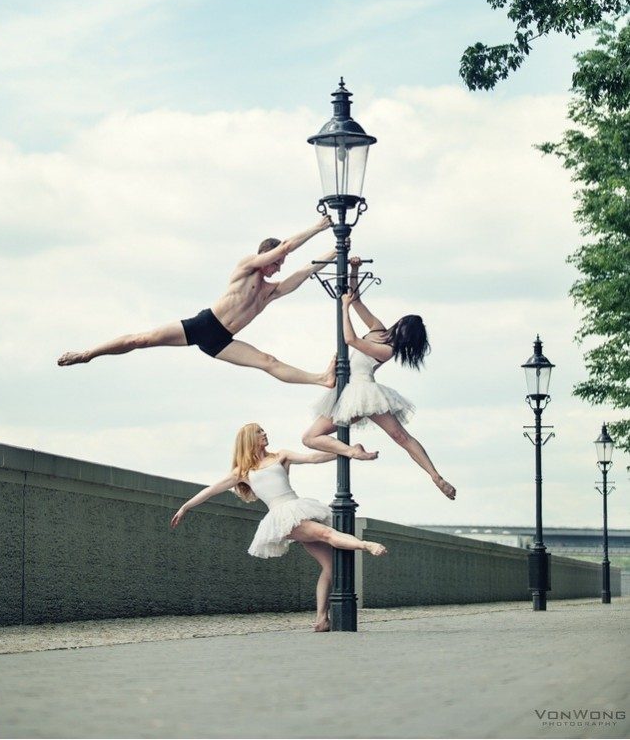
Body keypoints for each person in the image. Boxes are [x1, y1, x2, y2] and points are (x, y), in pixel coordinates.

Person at [58, 216, 336, 387]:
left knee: (268, 361)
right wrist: (319, 227)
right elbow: (286, 245)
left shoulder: (270, 292)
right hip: (204, 325)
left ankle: (320, 379)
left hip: (222, 340)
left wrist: (337, 250)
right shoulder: (246, 268)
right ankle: (87, 354)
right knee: (141, 340)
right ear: (264, 255)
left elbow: (305, 271)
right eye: (276, 262)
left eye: (280, 265)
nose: (278, 268)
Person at [170, 423, 387, 632]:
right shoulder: (243, 471)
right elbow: (211, 490)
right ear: (249, 439)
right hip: (282, 516)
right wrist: (185, 507)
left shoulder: (281, 456)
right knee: (327, 533)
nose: (264, 433)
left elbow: (313, 458)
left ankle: (322, 620)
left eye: (263, 430)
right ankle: (366, 545)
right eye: (259, 431)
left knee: (330, 567)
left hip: (298, 507)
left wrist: (348, 452)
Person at [303, 257, 457, 500]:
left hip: (362, 392)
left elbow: (351, 340)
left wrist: (343, 308)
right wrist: (354, 269)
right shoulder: (378, 329)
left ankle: (434, 476)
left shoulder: (388, 350)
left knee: (399, 436)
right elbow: (356, 298)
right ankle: (354, 451)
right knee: (311, 438)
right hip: (347, 390)